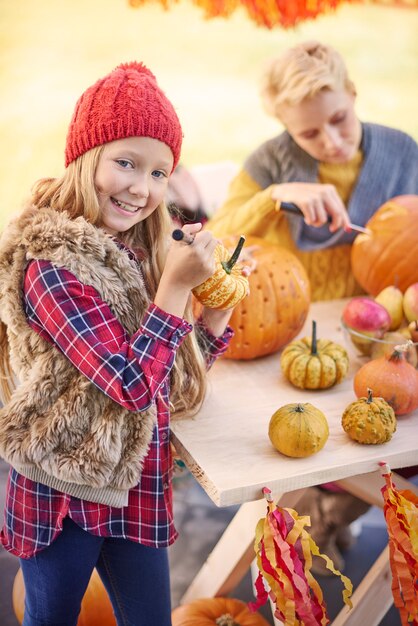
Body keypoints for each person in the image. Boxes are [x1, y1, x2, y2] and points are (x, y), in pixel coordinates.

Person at [0, 62, 239, 626]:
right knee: (53, 617)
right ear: (85, 159)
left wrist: (217, 316)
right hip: (66, 485)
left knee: (149, 618)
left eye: (160, 173)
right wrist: (176, 288)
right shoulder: (50, 265)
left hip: (134, 477)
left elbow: (163, 381)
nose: (141, 187)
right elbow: (128, 386)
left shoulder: (134, 252)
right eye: (126, 163)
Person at [205, 40, 418, 574]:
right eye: (309, 133)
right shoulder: (271, 162)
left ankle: (335, 510)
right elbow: (216, 239)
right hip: (302, 330)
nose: (331, 141)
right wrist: (276, 193)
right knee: (309, 438)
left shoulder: (401, 153)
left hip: (380, 333)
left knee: (388, 435)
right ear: (285, 128)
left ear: (352, 93)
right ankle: (322, 510)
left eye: (340, 120)